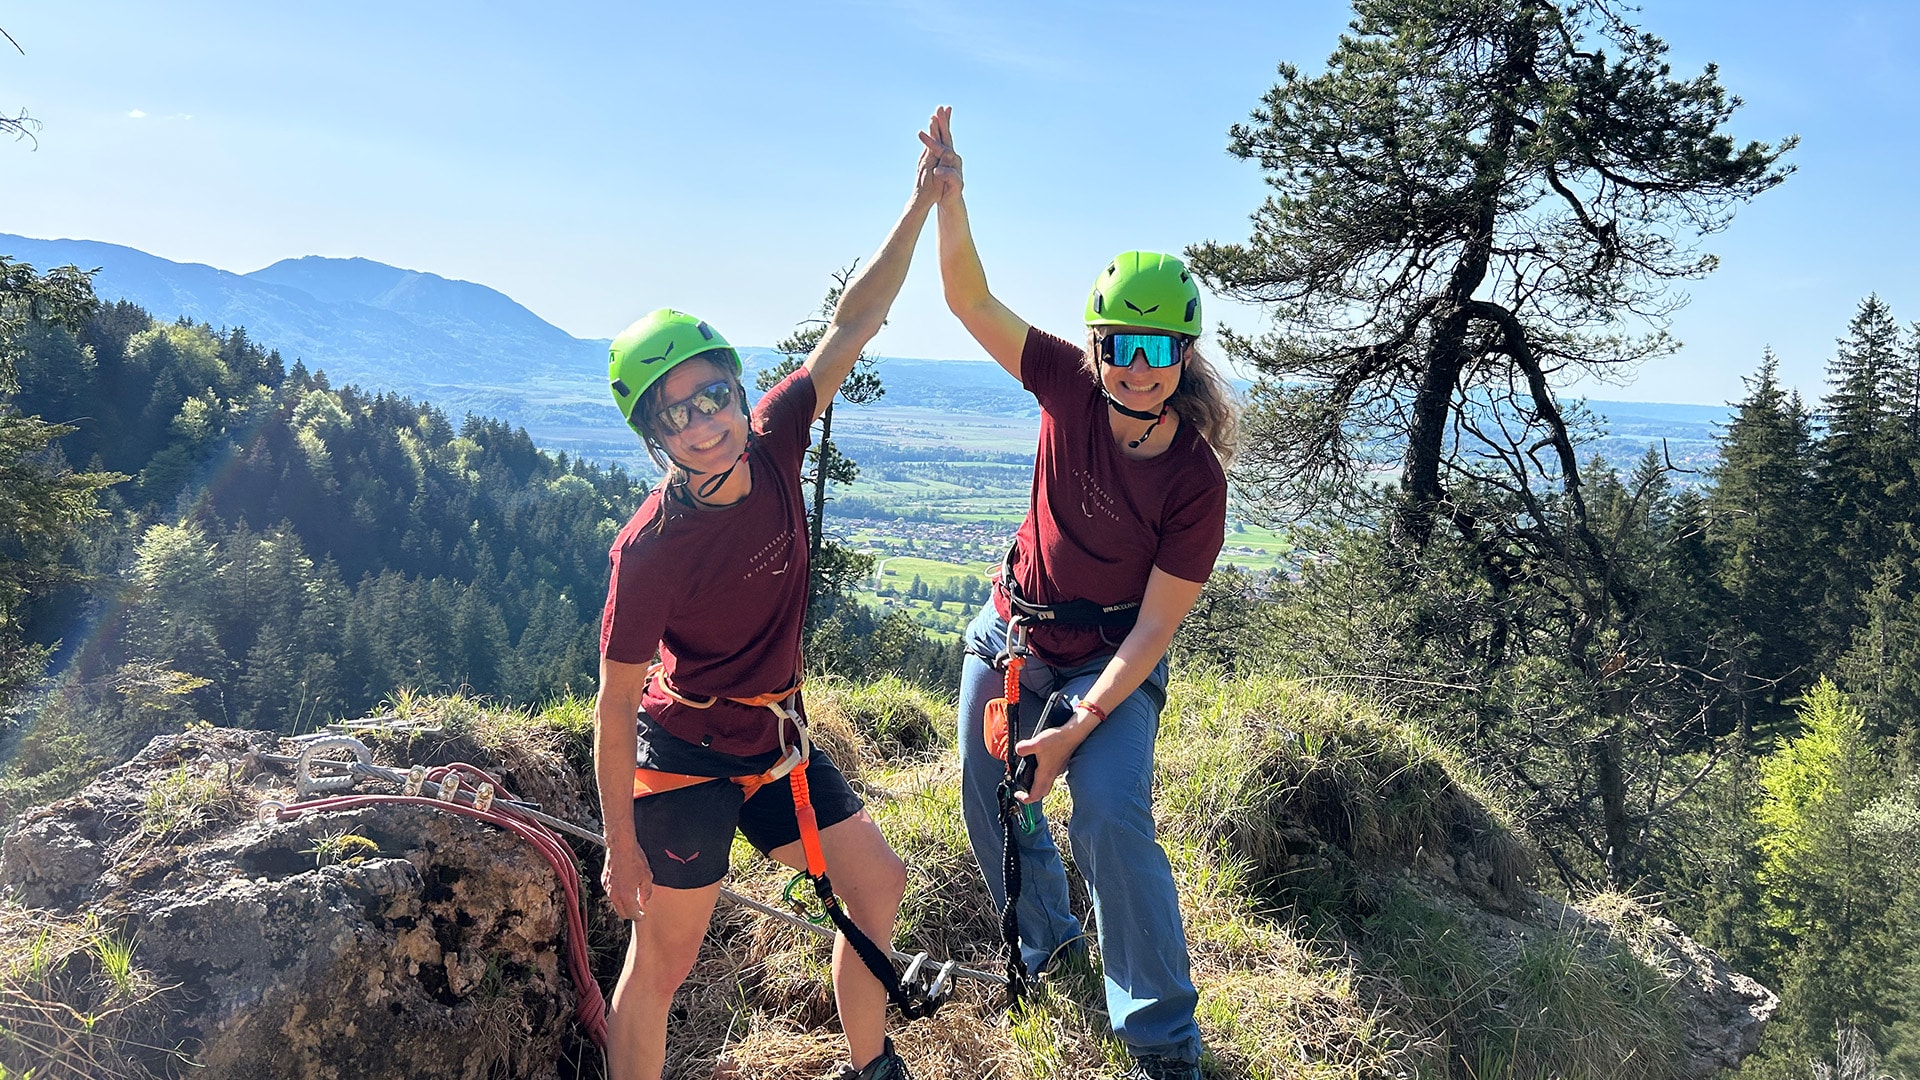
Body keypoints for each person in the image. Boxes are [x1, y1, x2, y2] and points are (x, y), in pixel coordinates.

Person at [594, 130, 948, 1080]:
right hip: (687, 759)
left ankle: (870, 1066)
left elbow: (854, 319)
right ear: (652, 433)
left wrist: (919, 206)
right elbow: (617, 706)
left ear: (739, 388)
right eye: (676, 413)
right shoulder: (651, 551)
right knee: (662, 964)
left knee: (877, 883)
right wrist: (621, 846)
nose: (706, 422)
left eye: (714, 394)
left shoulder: (778, 436)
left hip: (774, 740)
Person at [920, 107, 1236, 1080]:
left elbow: (1151, 632)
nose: (1137, 371)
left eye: (1159, 352)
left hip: (1110, 657)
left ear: (1183, 357)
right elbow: (971, 301)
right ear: (1098, 349)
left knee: (1107, 814)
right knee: (987, 787)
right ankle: (1048, 940)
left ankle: (1161, 1039)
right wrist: (951, 198)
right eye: (1121, 349)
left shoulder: (1195, 481)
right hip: (1015, 631)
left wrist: (1075, 728)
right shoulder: (1064, 384)